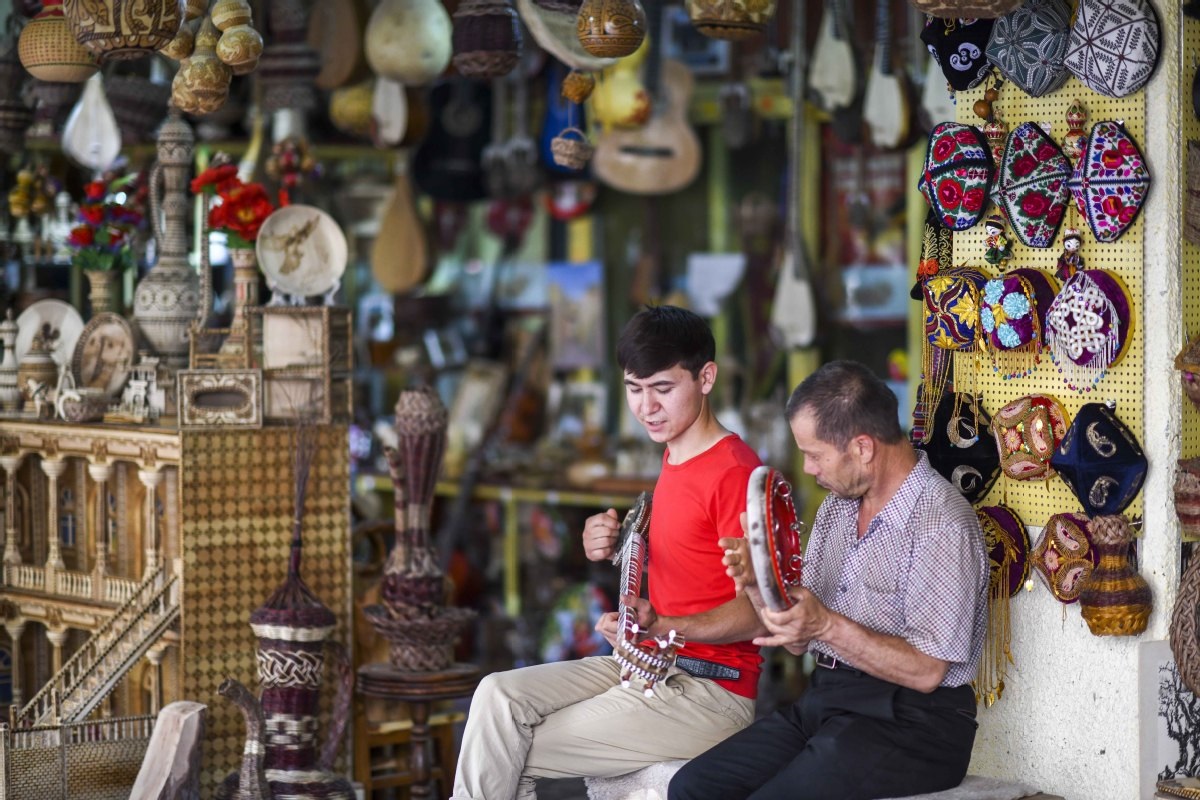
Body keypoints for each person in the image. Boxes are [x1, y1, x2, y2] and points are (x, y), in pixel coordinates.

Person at [451, 305, 767, 800]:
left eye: (663, 388)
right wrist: (616, 544)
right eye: (634, 389)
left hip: (709, 691)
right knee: (497, 694)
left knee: (508, 747)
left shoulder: (735, 473)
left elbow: (761, 613)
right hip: (648, 663)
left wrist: (662, 625)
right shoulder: (676, 453)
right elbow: (694, 558)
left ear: (706, 378)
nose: (647, 407)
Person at [669, 360, 989, 800]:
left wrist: (826, 625)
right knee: (693, 787)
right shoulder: (837, 509)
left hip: (917, 724)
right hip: (829, 698)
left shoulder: (941, 522)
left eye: (815, 455)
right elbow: (798, 641)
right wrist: (758, 582)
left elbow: (927, 670)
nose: (808, 468)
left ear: (863, 448)